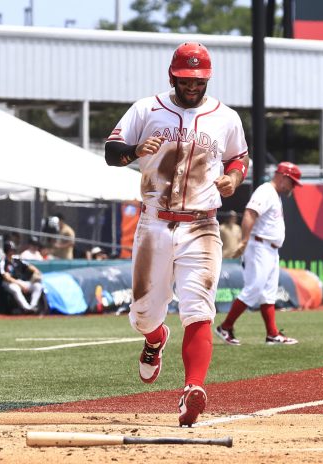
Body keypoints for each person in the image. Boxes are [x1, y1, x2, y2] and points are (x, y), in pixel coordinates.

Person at [104, 42, 249, 427]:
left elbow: (239, 156)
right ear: (172, 75)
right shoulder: (146, 109)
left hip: (201, 224)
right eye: (185, 78)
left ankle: (192, 389)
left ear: (208, 79)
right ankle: (154, 339)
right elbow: (111, 151)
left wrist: (233, 177)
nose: (192, 85)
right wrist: (135, 150)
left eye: (198, 79)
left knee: (198, 308)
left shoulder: (225, 117)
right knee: (143, 315)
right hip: (153, 222)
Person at [215, 162, 302, 346]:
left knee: (268, 293)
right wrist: (245, 240)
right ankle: (225, 326)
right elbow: (249, 213)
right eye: (292, 182)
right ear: (283, 176)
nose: (293, 187)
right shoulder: (266, 191)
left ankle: (272, 334)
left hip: (270, 249)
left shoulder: (275, 195)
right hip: (259, 246)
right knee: (254, 288)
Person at [0, 240, 45, 314]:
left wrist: (36, 271)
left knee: (38, 286)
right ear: (7, 251)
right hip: (9, 283)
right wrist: (20, 285)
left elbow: (29, 266)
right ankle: (27, 308)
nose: (12, 251)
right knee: (16, 289)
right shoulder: (3, 262)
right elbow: (6, 277)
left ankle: (32, 306)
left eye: (13, 250)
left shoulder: (17, 259)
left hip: (20, 281)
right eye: (11, 250)